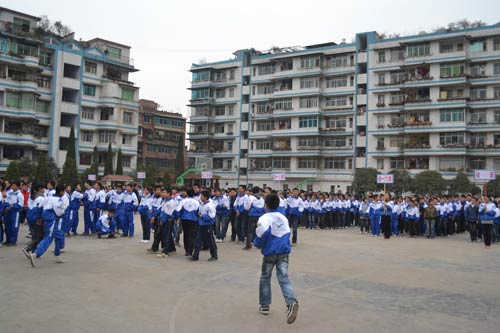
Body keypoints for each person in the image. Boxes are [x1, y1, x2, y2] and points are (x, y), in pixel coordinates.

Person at [253, 193, 298, 324]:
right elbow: (287, 233)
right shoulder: (283, 218)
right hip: (284, 252)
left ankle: (265, 305)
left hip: (270, 252)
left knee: (265, 277)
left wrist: (257, 244)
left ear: (265, 204)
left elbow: (262, 233)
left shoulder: (264, 218)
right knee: (284, 278)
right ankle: (291, 302)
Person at [28, 184, 68, 267]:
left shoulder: (48, 197)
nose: (64, 192)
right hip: (52, 220)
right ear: (61, 192)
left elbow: (39, 207)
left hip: (46, 219)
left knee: (59, 236)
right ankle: (35, 254)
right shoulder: (58, 200)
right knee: (48, 238)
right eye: (64, 191)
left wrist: (39, 218)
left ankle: (57, 255)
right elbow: (60, 212)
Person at [191, 190, 218, 261]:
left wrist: (202, 216)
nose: (200, 197)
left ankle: (214, 255)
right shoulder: (201, 204)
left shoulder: (210, 205)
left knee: (210, 241)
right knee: (198, 240)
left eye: (202, 196)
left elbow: (212, 216)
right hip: (201, 225)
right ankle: (195, 255)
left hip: (207, 225)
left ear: (205, 197)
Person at [23, 183, 46, 255]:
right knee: (40, 236)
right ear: (40, 189)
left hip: (30, 216)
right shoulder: (41, 197)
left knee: (34, 235)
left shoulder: (31, 196)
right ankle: (28, 248)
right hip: (36, 217)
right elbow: (40, 209)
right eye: (43, 188)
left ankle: (33, 251)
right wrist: (39, 218)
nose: (44, 190)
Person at [178, 188, 200, 256]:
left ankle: (186, 250)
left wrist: (179, 217)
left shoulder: (183, 201)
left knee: (186, 235)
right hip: (193, 220)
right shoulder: (197, 202)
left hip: (184, 219)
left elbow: (179, 210)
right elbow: (198, 212)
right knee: (192, 235)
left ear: (187, 193)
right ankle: (190, 250)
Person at [4, 180, 24, 246]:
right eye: (12, 185)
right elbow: (6, 200)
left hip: (15, 212)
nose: (13, 187)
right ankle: (8, 240)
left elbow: (21, 205)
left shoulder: (20, 195)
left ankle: (13, 241)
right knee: (7, 226)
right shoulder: (9, 192)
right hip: (8, 211)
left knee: (14, 227)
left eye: (14, 185)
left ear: (18, 186)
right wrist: (6, 206)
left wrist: (14, 205)